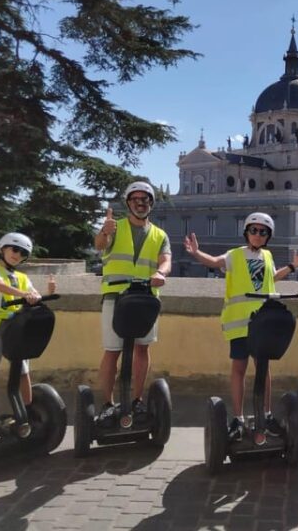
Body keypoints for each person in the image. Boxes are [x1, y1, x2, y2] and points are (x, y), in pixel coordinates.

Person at [184, 213, 298, 443]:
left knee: (263, 369)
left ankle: (266, 414)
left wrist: (295, 264)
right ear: (247, 232)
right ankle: (239, 417)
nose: (257, 235)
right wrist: (196, 253)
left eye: (263, 232)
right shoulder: (235, 255)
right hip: (241, 323)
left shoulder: (268, 255)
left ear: (268, 236)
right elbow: (215, 262)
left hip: (263, 322)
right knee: (239, 368)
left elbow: (271, 278)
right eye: (253, 230)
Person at [95, 181, 172, 426]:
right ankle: (107, 404)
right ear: (128, 203)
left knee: (142, 349)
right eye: (135, 199)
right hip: (115, 296)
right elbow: (100, 247)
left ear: (151, 203)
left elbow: (166, 260)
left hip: (145, 298)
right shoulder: (114, 227)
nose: (141, 203)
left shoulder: (160, 234)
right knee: (112, 351)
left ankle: (137, 400)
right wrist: (105, 232)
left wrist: (161, 273)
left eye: (145, 199)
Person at [0, 233, 56, 411]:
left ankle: (29, 413)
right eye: (15, 249)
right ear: (2, 249)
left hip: (16, 327)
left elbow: (33, 296)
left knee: (22, 371)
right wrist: (24, 295)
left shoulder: (22, 278)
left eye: (22, 253)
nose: (17, 255)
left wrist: (46, 293)